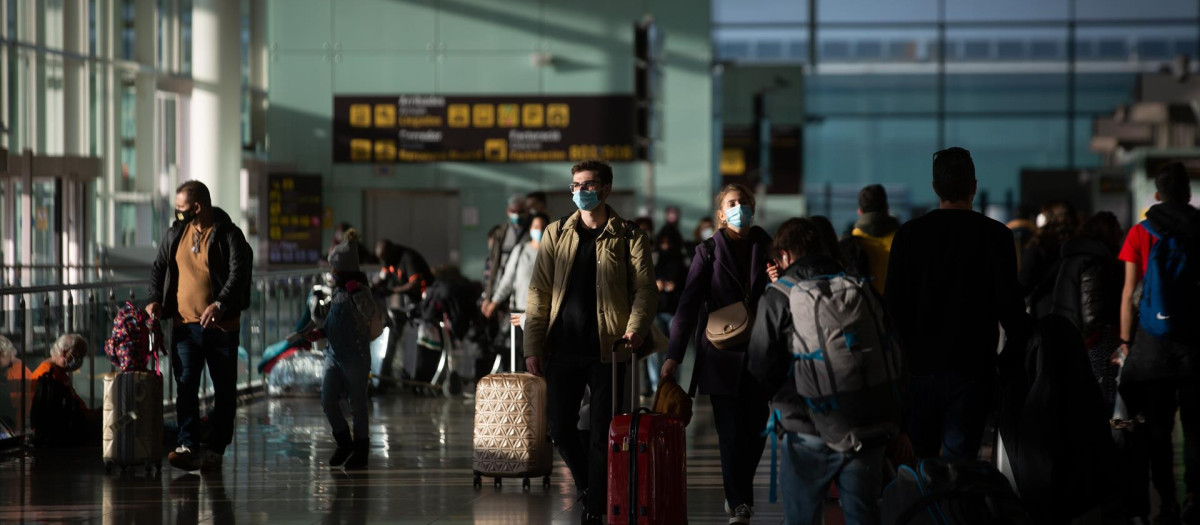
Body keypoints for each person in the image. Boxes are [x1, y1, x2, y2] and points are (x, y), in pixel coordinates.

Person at [523, 159, 657, 525]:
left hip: (610, 352)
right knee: (559, 427)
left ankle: (597, 506)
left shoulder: (629, 235)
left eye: (589, 185)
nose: (582, 191)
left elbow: (645, 289)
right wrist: (532, 346)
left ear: (607, 189)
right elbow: (538, 293)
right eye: (576, 185)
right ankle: (589, 485)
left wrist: (636, 329)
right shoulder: (555, 233)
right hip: (562, 348)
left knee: (603, 434)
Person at [885, 147, 1030, 461]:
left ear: (935, 188)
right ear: (974, 187)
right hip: (973, 368)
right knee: (960, 464)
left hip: (919, 367)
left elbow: (893, 308)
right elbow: (1011, 310)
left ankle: (929, 511)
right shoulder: (997, 236)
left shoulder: (909, 235)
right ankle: (955, 510)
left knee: (921, 462)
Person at [748, 217, 886, 525]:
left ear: (784, 255)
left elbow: (759, 364)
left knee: (802, 517)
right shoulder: (858, 286)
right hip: (866, 423)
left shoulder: (778, 296)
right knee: (863, 514)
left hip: (806, 428)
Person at [661, 183, 772, 524]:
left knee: (756, 429)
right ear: (721, 214)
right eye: (732, 203)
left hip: (759, 349)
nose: (740, 207)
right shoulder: (707, 251)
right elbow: (688, 303)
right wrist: (673, 355)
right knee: (730, 431)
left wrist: (780, 279)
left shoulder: (767, 247)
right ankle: (739, 500)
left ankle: (739, 490)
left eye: (744, 202)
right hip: (721, 352)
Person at [1114, 162, 1200, 525]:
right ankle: (1195, 497)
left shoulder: (1140, 232)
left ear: (1157, 195)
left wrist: (1124, 341)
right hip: (1196, 344)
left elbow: (1129, 292)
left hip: (1152, 346)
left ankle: (1166, 502)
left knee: (1157, 430)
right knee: (1196, 429)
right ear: (1188, 194)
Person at [148, 180, 253, 472]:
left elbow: (238, 273)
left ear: (198, 207)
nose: (177, 214)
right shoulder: (176, 233)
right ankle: (187, 445)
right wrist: (155, 299)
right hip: (184, 327)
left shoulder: (229, 235)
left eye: (181, 209)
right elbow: (158, 268)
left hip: (222, 329)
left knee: (223, 391)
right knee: (185, 386)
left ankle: (216, 447)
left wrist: (219, 304)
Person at [311, 229, 375, 470]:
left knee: (357, 405)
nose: (331, 274)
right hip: (333, 356)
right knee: (328, 400)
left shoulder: (360, 291)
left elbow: (369, 313)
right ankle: (343, 441)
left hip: (355, 357)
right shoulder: (337, 292)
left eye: (334, 269)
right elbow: (331, 323)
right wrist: (320, 332)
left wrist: (356, 291)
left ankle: (360, 450)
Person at [1051, 211, 1124, 409]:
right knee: (1101, 401)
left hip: (1070, 339)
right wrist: (1098, 338)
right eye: (1117, 229)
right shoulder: (1094, 262)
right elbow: (1093, 308)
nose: (1121, 233)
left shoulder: (1072, 259)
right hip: (1094, 343)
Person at [483, 213, 550, 372]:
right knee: (520, 357)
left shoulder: (553, 253)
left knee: (542, 358)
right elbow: (507, 280)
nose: (538, 230)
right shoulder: (521, 251)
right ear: (529, 229)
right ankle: (521, 394)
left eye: (542, 227)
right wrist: (495, 301)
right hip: (519, 312)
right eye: (535, 227)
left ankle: (540, 394)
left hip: (543, 315)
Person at [374, 239, 433, 387]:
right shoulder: (389, 260)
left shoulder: (407, 258)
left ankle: (416, 377)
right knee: (393, 335)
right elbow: (382, 278)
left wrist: (392, 291)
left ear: (391, 252)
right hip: (406, 302)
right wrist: (372, 287)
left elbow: (415, 284)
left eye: (386, 259)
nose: (386, 262)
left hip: (423, 301)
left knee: (414, 339)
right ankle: (384, 378)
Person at [30, 334, 98, 445]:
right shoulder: (46, 376)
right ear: (64, 353)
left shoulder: (59, 374)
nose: (79, 361)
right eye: (77, 356)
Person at [838, 184, 901, 295]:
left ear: (860, 211)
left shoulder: (848, 243)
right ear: (887, 208)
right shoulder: (904, 239)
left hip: (864, 309)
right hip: (898, 309)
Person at [1021, 200, 1080, 318]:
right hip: (1074, 313)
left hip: (1044, 312)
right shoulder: (1078, 246)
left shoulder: (1038, 246)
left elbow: (1023, 284)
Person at [649, 227, 687, 394]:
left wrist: (673, 287)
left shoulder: (681, 261)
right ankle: (655, 384)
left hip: (674, 311)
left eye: (668, 242)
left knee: (673, 352)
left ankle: (672, 384)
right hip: (657, 310)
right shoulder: (655, 259)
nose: (665, 245)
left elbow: (687, 287)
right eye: (662, 242)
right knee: (655, 351)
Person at [0, 335, 32, 434]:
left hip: (12, 429)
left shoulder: (17, 373)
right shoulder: (16, 369)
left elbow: (13, 407)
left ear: (6, 354)